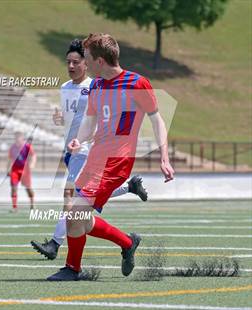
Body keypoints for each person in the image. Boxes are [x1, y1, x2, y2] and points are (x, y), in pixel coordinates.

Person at [47, 33, 174, 281]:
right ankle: (127, 243)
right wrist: (80, 140)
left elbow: (157, 119)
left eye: (87, 59)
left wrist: (164, 157)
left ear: (100, 62)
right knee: (81, 220)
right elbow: (91, 119)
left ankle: (72, 269)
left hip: (116, 162)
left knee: (74, 214)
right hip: (94, 159)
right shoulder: (96, 85)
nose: (84, 63)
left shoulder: (137, 84)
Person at [31, 39, 148, 260]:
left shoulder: (96, 85)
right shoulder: (65, 88)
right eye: (68, 62)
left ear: (88, 63)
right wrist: (59, 119)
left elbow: (102, 118)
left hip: (88, 151)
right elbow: (72, 119)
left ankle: (55, 244)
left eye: (76, 62)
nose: (71, 66)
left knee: (71, 198)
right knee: (80, 201)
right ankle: (128, 192)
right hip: (71, 150)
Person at [7, 131, 37, 212]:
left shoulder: (27, 146)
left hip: (25, 170)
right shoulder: (12, 147)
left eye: (18, 137)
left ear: (22, 138)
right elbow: (10, 159)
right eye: (16, 137)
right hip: (15, 170)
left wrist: (32, 164)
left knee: (28, 189)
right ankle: (14, 207)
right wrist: (8, 169)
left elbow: (33, 155)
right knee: (14, 188)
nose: (17, 139)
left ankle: (32, 204)